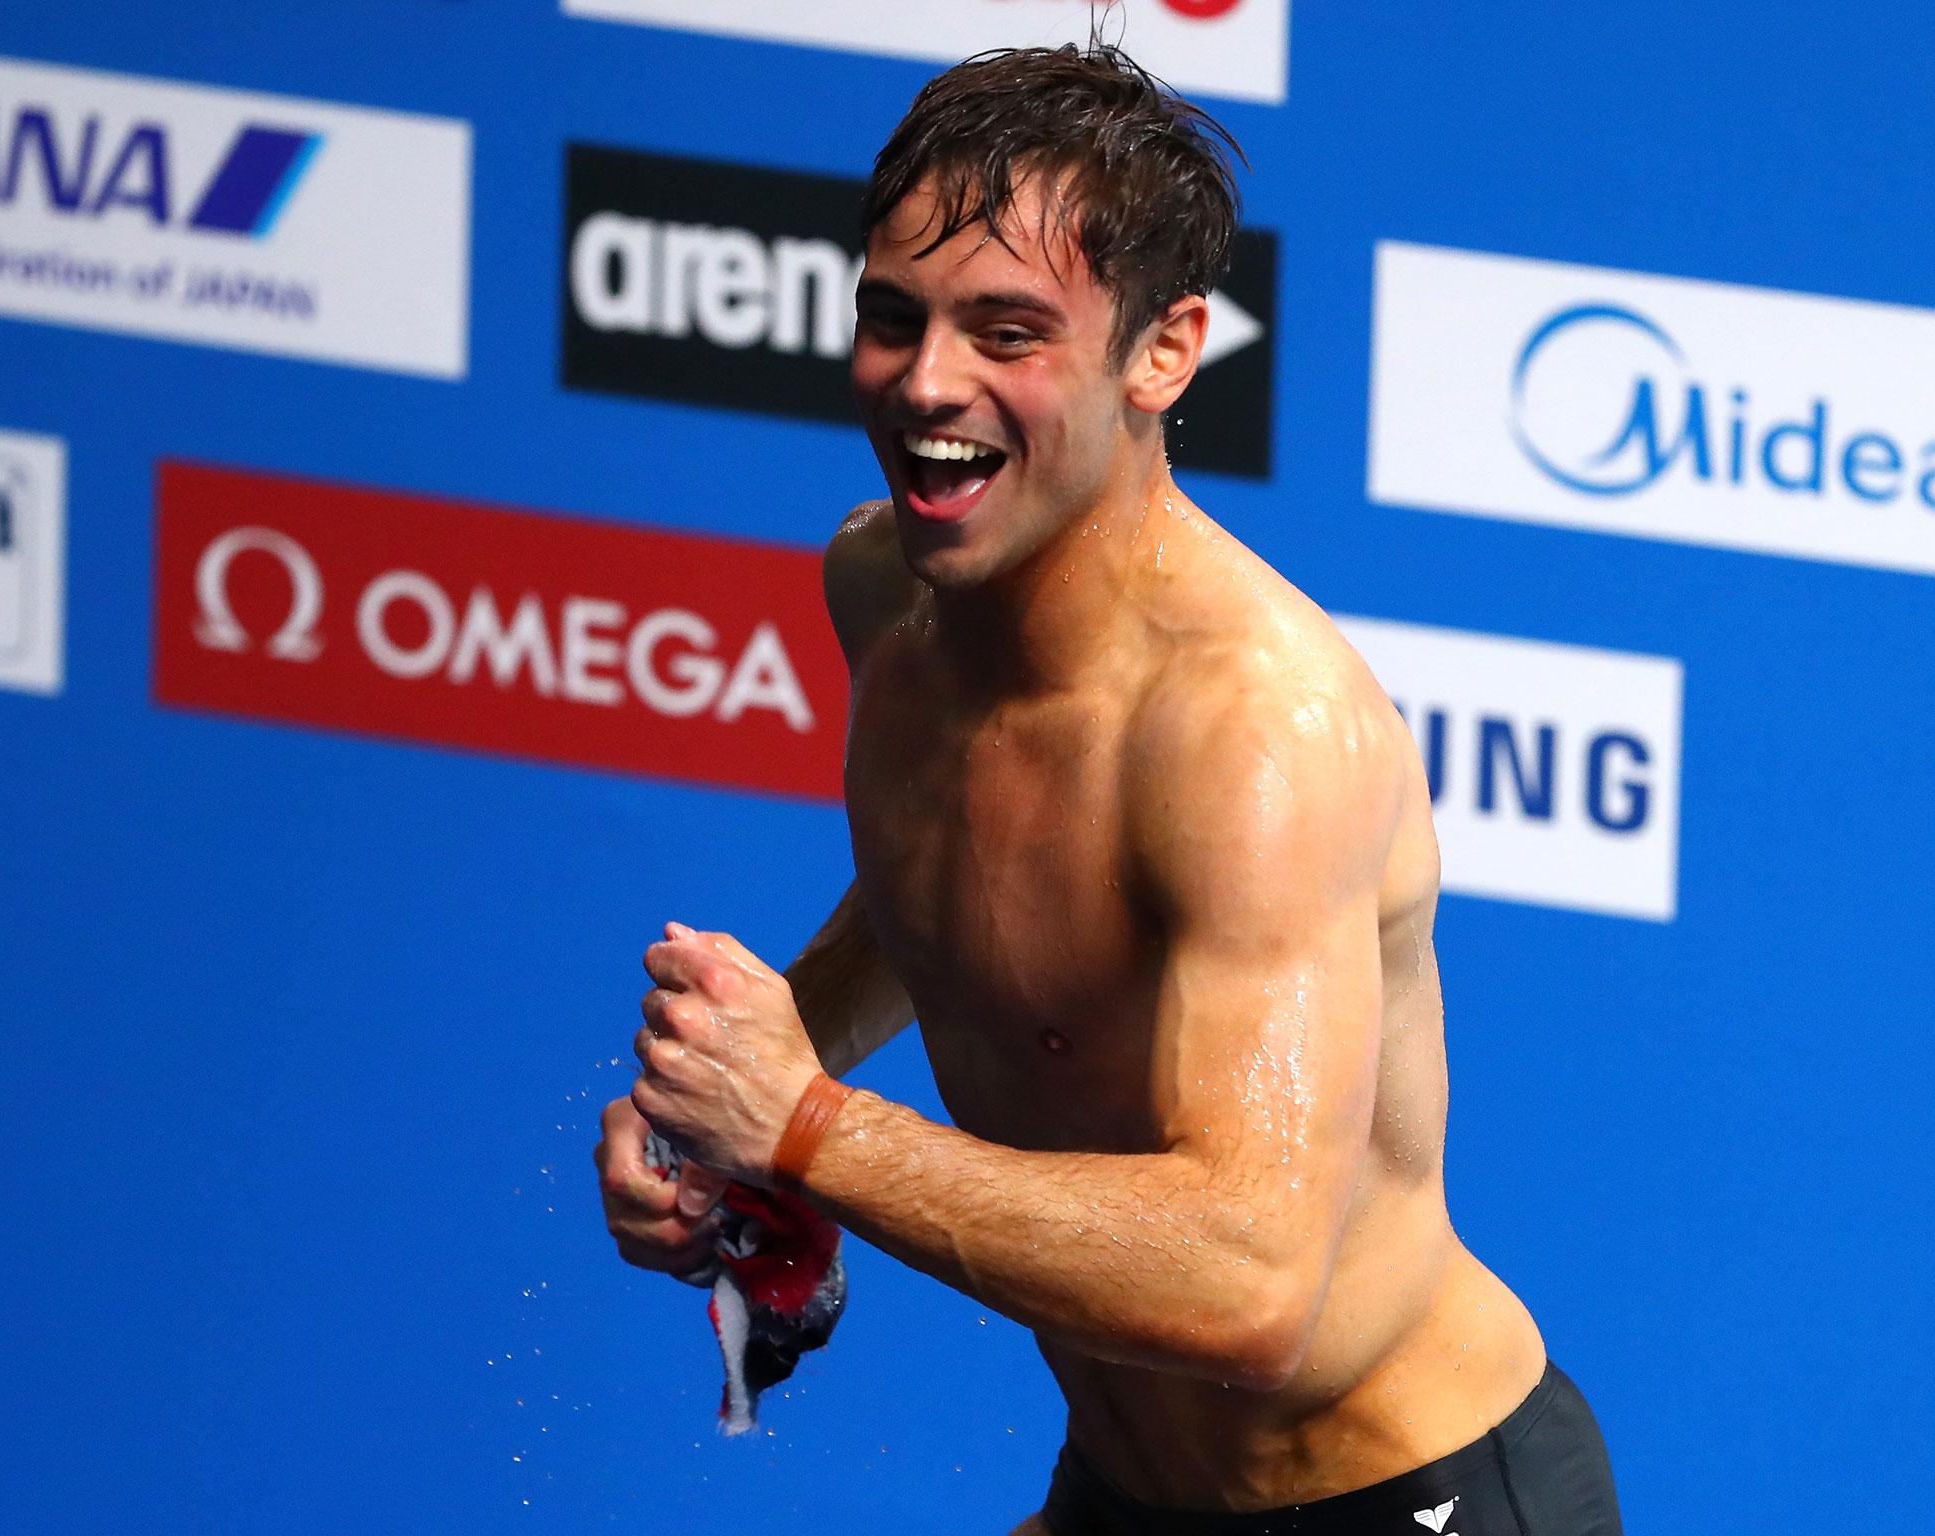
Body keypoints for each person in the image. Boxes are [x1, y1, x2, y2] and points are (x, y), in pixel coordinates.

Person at [595, 44, 1624, 1534]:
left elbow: (1250, 1277)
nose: (929, 384)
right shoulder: (883, 589)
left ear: (1164, 352)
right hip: (1130, 1492)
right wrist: (726, 1105)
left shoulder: (1250, 736)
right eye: (896, 317)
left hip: (1407, 1494)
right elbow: (955, 882)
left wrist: (808, 1123)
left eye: (1007, 332)